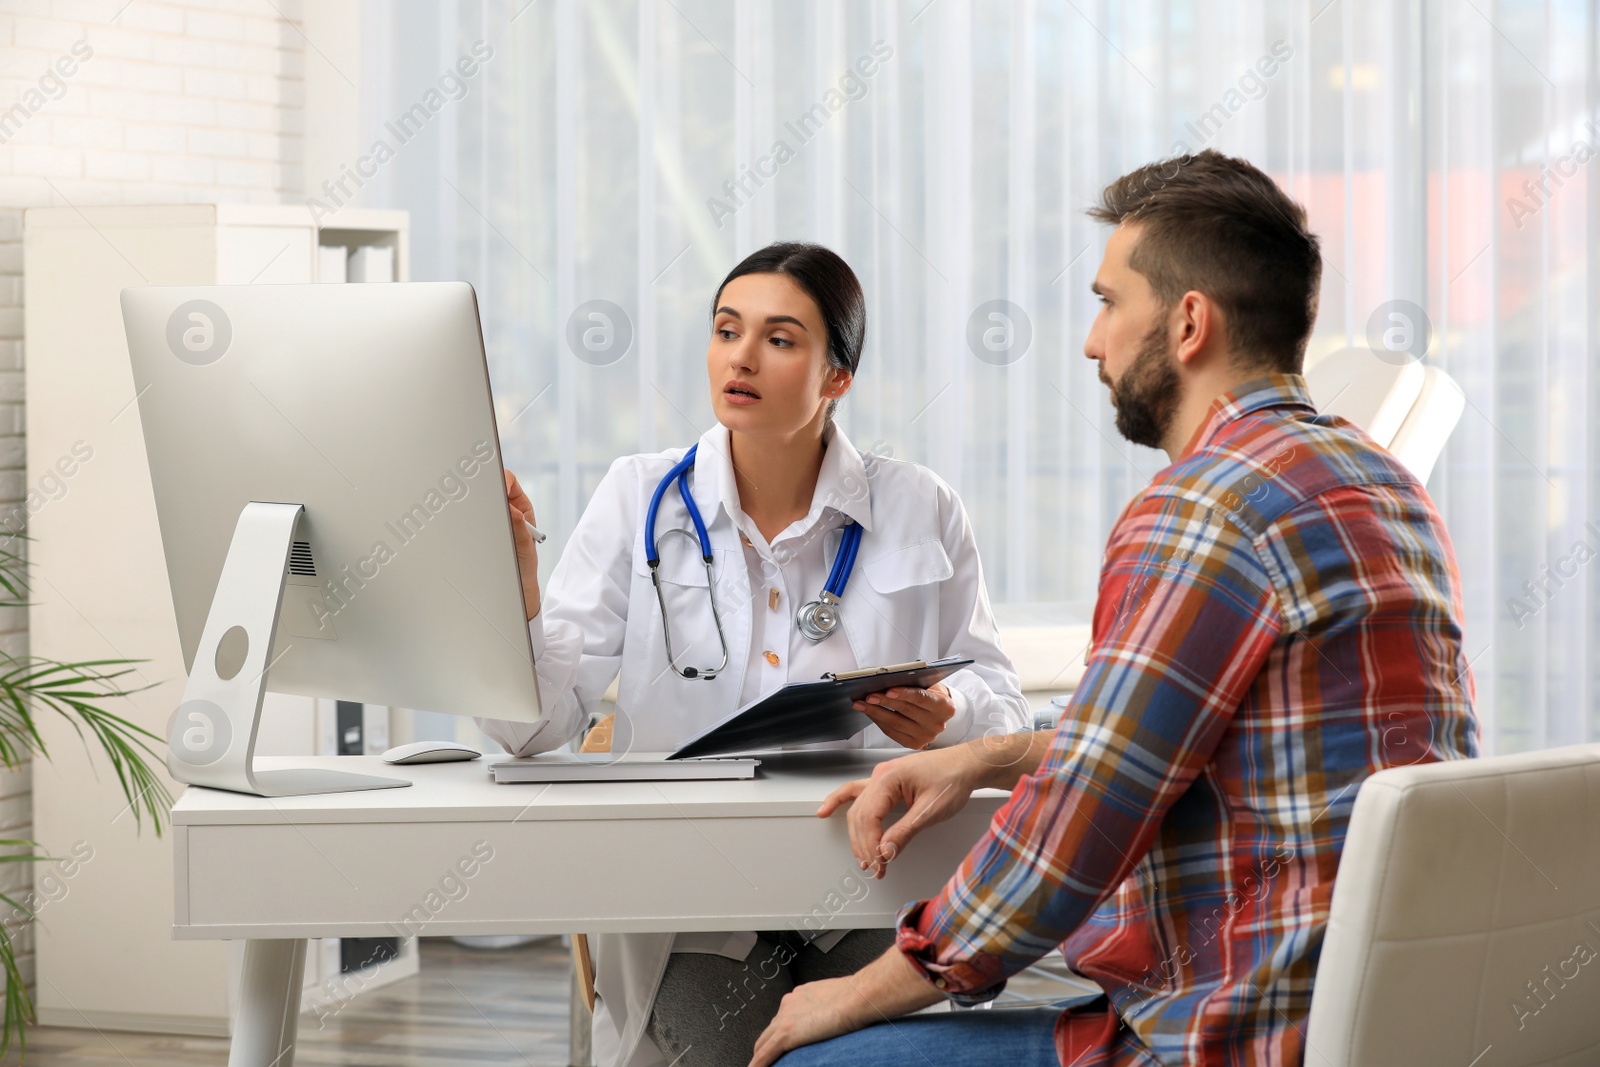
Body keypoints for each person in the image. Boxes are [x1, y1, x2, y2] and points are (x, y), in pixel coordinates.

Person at [748, 152, 1480, 1067]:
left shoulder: (1200, 509)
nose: (1092, 343)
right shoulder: (1385, 486)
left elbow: (1063, 849)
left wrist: (856, 993)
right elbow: (1168, 736)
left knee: (805, 1058)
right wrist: (985, 753)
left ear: (1186, 322)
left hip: (1225, 1035)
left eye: (1106, 302)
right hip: (1381, 1020)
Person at [478, 241, 1030, 1067]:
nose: (741, 355)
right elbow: (531, 730)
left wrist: (951, 715)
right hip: (694, 892)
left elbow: (1001, 702)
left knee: (870, 1053)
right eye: (726, 329)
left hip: (863, 879)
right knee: (748, 1052)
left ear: (837, 376)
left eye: (779, 338)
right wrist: (515, 583)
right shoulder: (640, 497)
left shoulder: (919, 506)